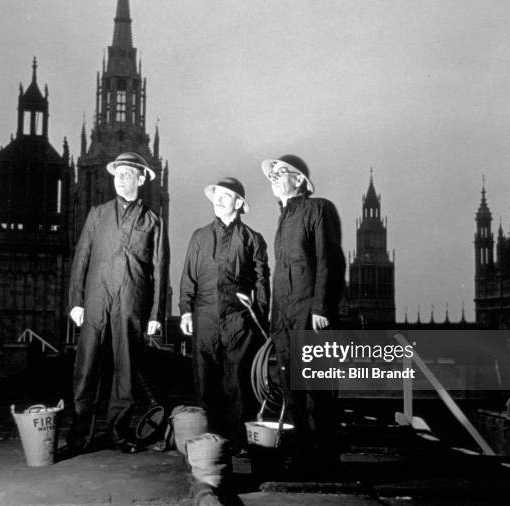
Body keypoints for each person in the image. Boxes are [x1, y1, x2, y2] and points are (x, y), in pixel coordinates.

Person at [67, 152, 169, 454]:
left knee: (126, 368)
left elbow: (159, 269)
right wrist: (77, 300)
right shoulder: (97, 214)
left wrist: (155, 313)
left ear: (141, 179)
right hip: (97, 297)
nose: (122, 179)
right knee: (86, 367)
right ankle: (79, 437)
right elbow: (81, 256)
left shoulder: (152, 221)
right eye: (118, 173)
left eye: (128, 174)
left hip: (131, 300)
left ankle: (118, 434)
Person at [261, 154, 346, 470]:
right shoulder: (283, 217)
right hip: (283, 313)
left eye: (281, 172)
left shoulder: (318, 208)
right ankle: (303, 453)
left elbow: (330, 260)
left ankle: (323, 459)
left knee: (313, 386)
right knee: (291, 385)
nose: (274, 177)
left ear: (300, 180)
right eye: (272, 174)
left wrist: (321, 306)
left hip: (309, 311)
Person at [179, 177, 270, 451]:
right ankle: (210, 441)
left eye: (226, 196)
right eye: (217, 195)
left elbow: (262, 282)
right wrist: (185, 312)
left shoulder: (253, 239)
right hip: (204, 315)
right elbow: (188, 279)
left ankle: (239, 441)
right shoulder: (199, 236)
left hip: (238, 319)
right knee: (206, 380)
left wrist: (260, 320)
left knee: (239, 381)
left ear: (239, 204)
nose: (219, 200)